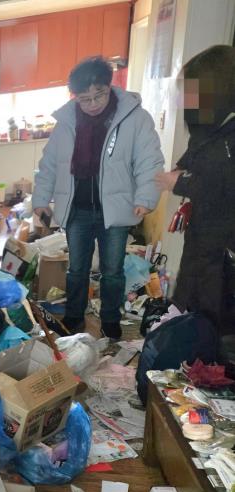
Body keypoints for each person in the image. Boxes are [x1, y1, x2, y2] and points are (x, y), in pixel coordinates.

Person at [32, 56, 164, 340]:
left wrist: (145, 197)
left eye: (99, 95)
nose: (92, 104)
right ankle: (74, 316)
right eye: (84, 99)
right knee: (77, 270)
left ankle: (111, 319)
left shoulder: (134, 118)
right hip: (77, 209)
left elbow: (149, 160)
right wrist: (40, 200)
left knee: (112, 271)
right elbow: (49, 164)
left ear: (109, 86)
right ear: (75, 96)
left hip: (114, 209)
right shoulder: (67, 122)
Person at [156, 45, 235, 332]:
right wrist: (180, 168)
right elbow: (196, 154)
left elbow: (222, 184)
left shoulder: (230, 135)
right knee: (190, 298)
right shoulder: (210, 126)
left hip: (222, 241)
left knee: (213, 310)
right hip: (202, 233)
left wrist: (179, 182)